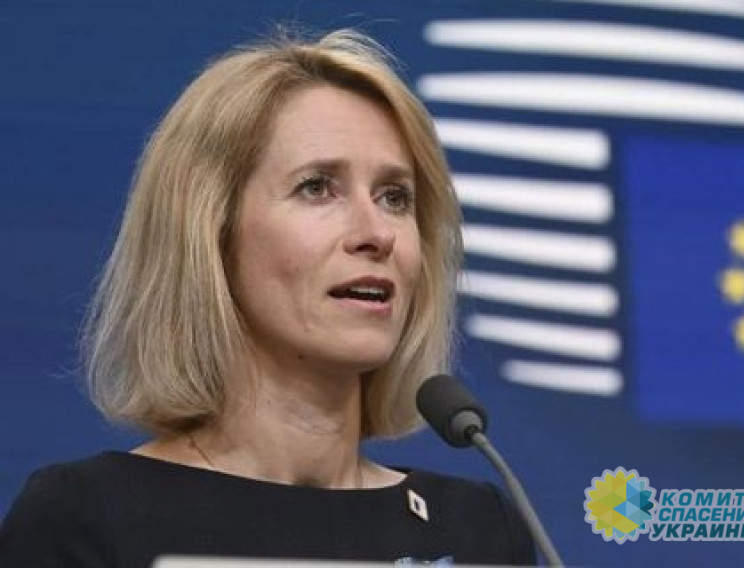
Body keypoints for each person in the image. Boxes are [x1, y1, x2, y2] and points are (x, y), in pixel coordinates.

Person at [0, 28, 535, 566]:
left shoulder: (479, 531)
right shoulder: (87, 522)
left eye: (395, 197)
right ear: (213, 232)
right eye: (317, 187)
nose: (377, 233)